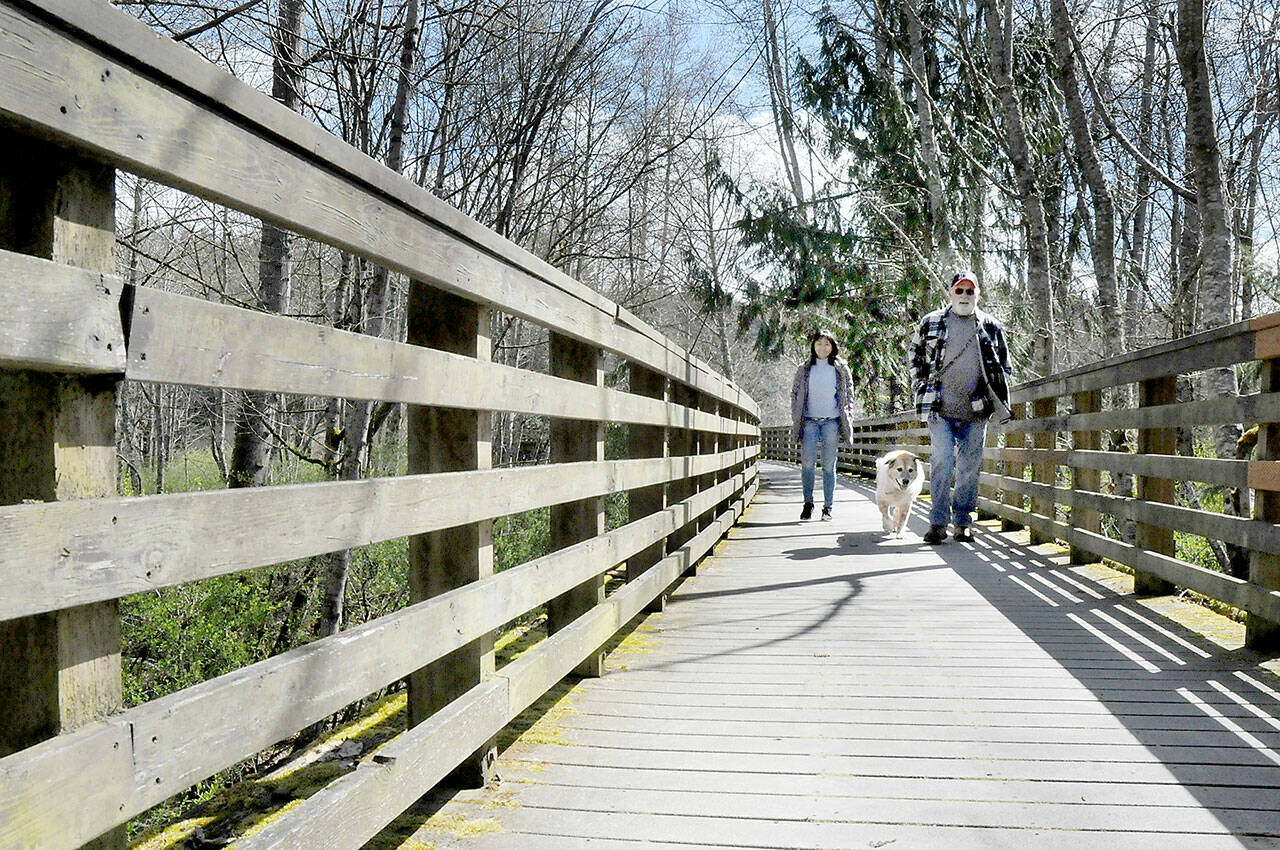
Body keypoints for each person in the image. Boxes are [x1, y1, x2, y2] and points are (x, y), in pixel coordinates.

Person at [909, 270, 1012, 544]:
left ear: (978, 295)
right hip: (939, 407)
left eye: (970, 291)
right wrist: (921, 386)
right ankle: (938, 523)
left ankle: (963, 522)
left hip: (976, 410)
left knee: (969, 466)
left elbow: (1005, 367)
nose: (964, 296)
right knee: (942, 460)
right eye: (959, 290)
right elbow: (914, 356)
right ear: (950, 293)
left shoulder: (991, 327)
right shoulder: (931, 322)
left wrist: (993, 398)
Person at [790, 329, 854, 521]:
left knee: (828, 465)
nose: (822, 347)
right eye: (819, 343)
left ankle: (828, 507)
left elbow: (850, 393)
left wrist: (848, 412)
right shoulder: (804, 368)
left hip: (831, 421)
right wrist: (796, 413)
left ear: (832, 347)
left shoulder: (841, 368)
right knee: (807, 463)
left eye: (827, 344)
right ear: (813, 346)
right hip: (809, 420)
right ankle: (808, 503)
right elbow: (794, 393)